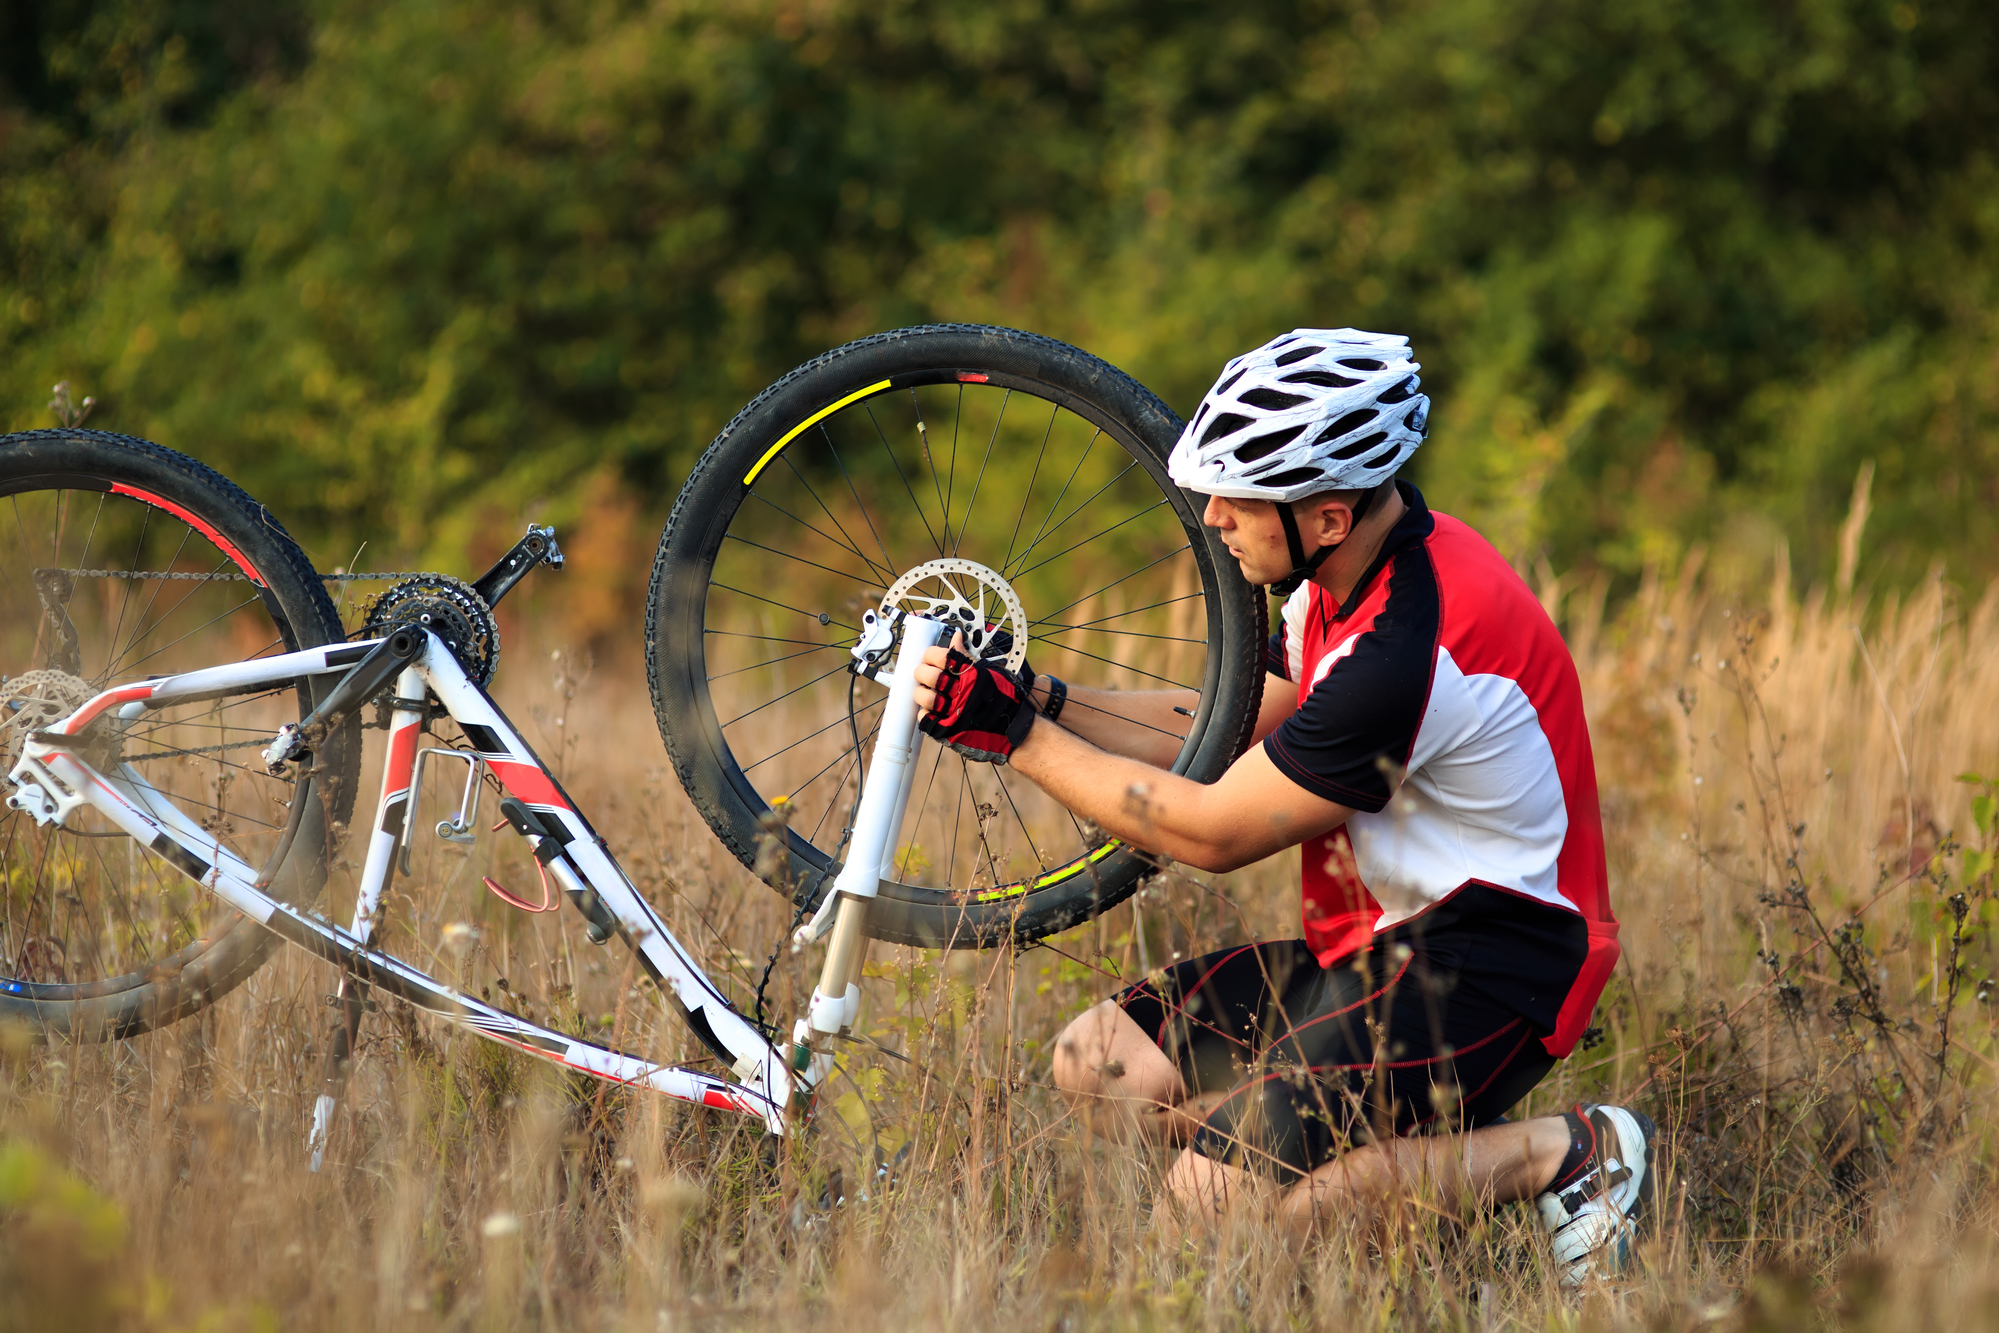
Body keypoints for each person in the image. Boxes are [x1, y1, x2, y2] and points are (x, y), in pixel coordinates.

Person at [910, 329, 1652, 1285]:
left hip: (1499, 957)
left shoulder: (1402, 653)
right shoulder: (1341, 578)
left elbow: (1210, 829)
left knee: (1216, 1207)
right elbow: (1221, 727)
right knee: (1097, 1061)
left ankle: (1569, 1152)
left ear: (1329, 515)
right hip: (1386, 940)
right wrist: (1038, 696)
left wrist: (1015, 736)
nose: (1212, 517)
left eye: (1235, 499)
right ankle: (1339, 1162)